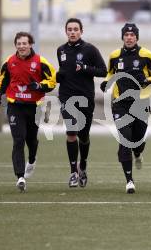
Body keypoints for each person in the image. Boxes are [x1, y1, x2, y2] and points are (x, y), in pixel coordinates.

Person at [0, 31, 56, 192]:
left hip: (34, 107)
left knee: (31, 140)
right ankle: (20, 177)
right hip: (15, 106)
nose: (22, 46)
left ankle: (32, 160)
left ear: (30, 44)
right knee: (18, 140)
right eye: (19, 44)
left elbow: (52, 81)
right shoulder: (9, 62)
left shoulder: (41, 62)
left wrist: (40, 86)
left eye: (24, 43)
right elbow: (3, 80)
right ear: (16, 45)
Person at [100, 23, 151, 194]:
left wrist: (147, 81)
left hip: (141, 103)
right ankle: (129, 181)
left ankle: (138, 153)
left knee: (138, 140)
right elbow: (110, 73)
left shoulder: (147, 55)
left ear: (137, 37)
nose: (129, 37)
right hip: (120, 104)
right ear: (122, 37)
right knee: (125, 140)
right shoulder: (114, 56)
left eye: (132, 35)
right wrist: (106, 82)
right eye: (126, 34)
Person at [56, 18, 107, 188]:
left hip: (85, 98)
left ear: (81, 31)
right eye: (69, 29)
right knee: (71, 132)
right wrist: (59, 75)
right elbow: (63, 71)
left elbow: (103, 71)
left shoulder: (90, 50)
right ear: (66, 32)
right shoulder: (61, 50)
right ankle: (73, 172)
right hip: (66, 97)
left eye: (75, 29)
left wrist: (85, 68)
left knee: (83, 136)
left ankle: (83, 165)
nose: (72, 32)